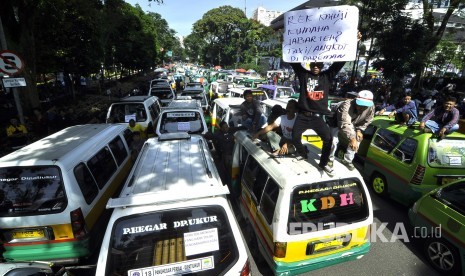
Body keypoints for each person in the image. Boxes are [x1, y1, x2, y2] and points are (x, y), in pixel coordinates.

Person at [328, 90, 375, 170]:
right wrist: (351, 138)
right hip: (337, 122)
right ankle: (329, 159)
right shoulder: (346, 105)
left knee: (357, 139)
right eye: (360, 105)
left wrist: (359, 130)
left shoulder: (371, 106)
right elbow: (344, 123)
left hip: (353, 123)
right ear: (356, 100)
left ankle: (347, 160)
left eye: (365, 106)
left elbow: (368, 120)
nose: (361, 108)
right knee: (333, 141)